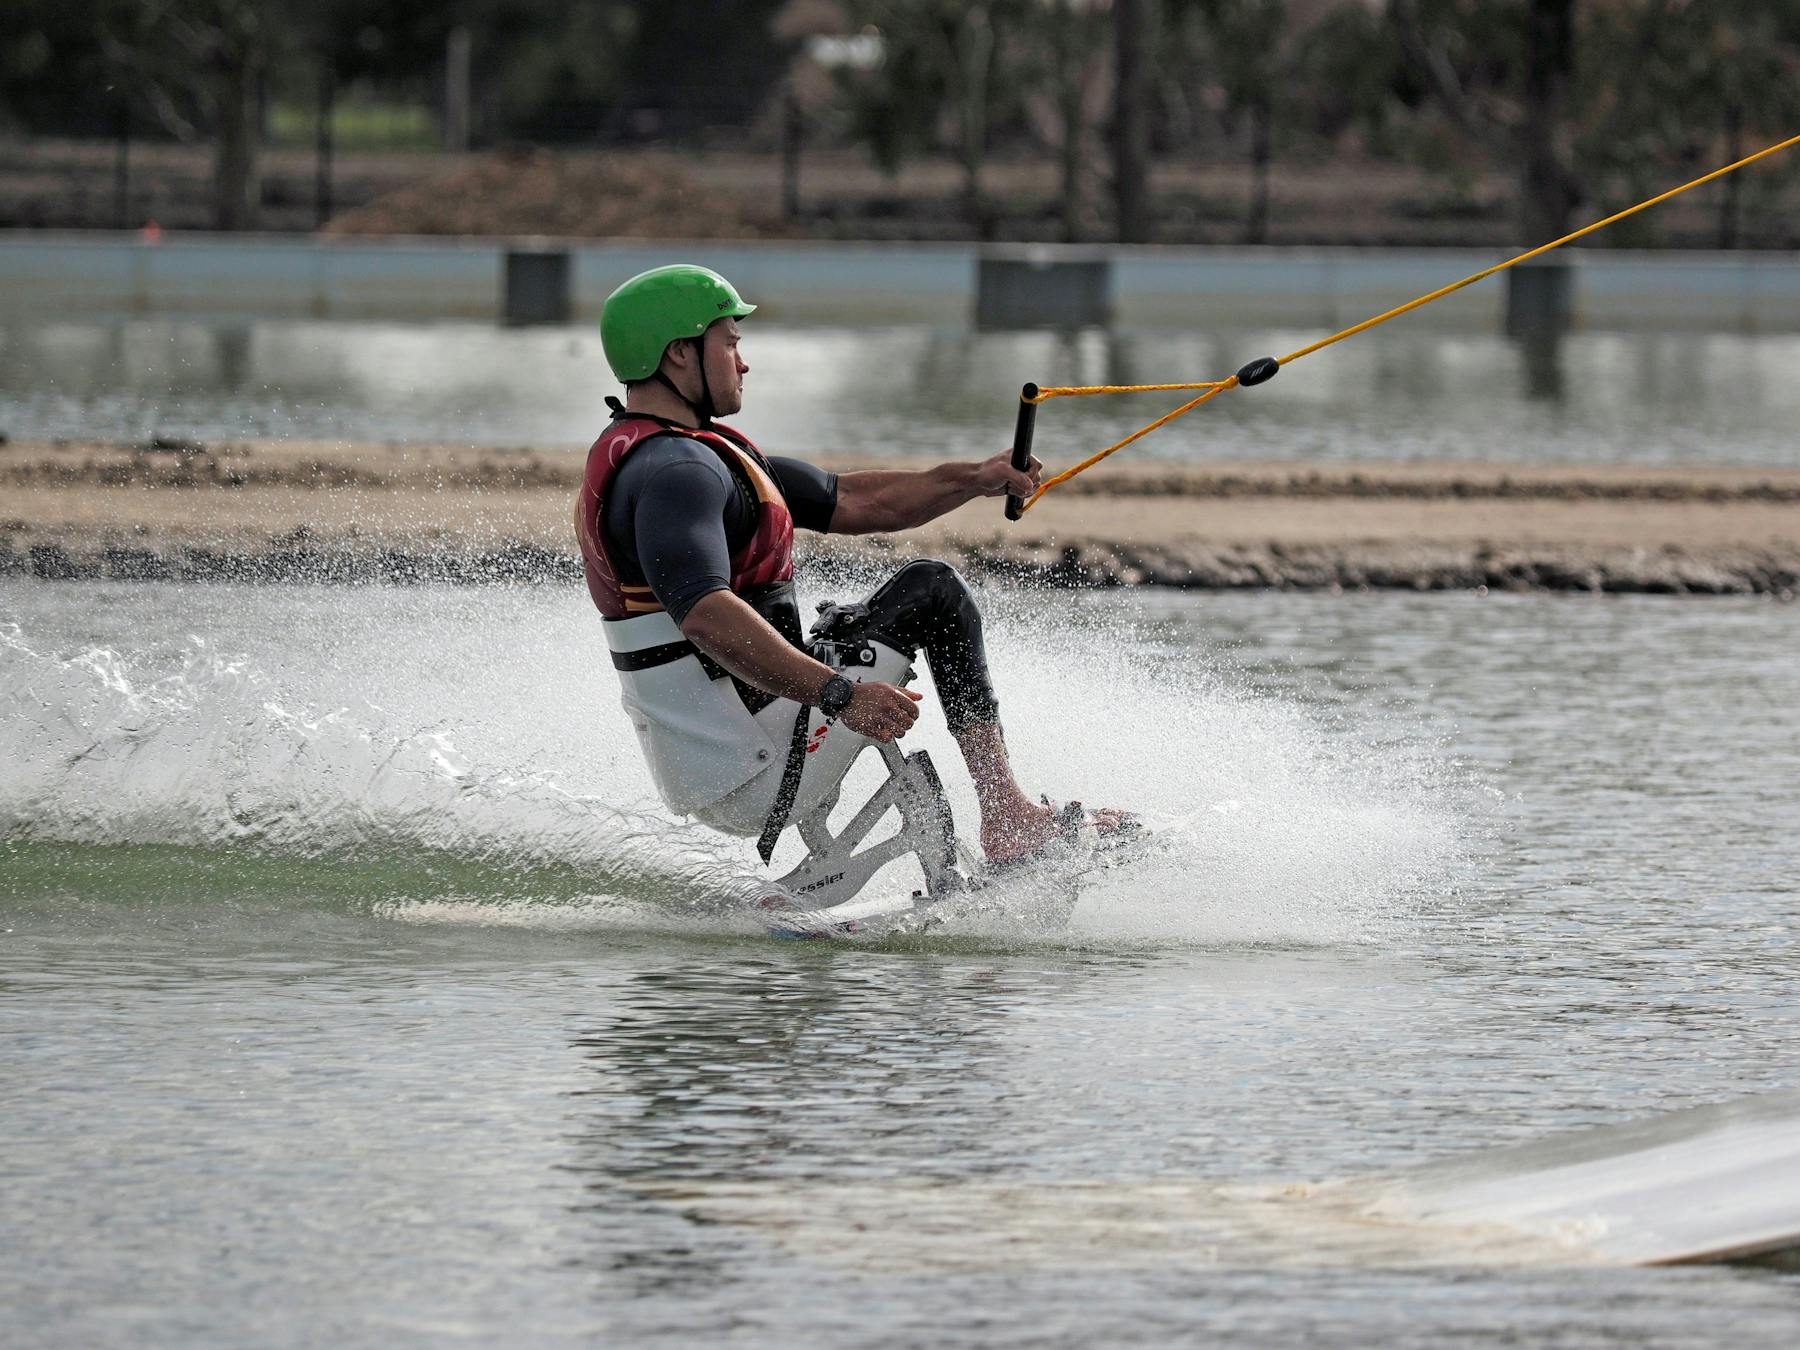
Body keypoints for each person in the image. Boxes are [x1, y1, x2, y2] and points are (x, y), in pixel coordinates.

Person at [576, 263, 1124, 867]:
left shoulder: (679, 458)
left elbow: (861, 500)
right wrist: (839, 693)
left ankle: (1004, 816)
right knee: (935, 591)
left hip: (723, 758)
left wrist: (977, 478)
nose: (743, 361)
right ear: (680, 353)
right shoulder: (678, 474)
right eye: (730, 343)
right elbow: (706, 615)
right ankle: (1008, 819)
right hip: (755, 760)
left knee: (898, 601)